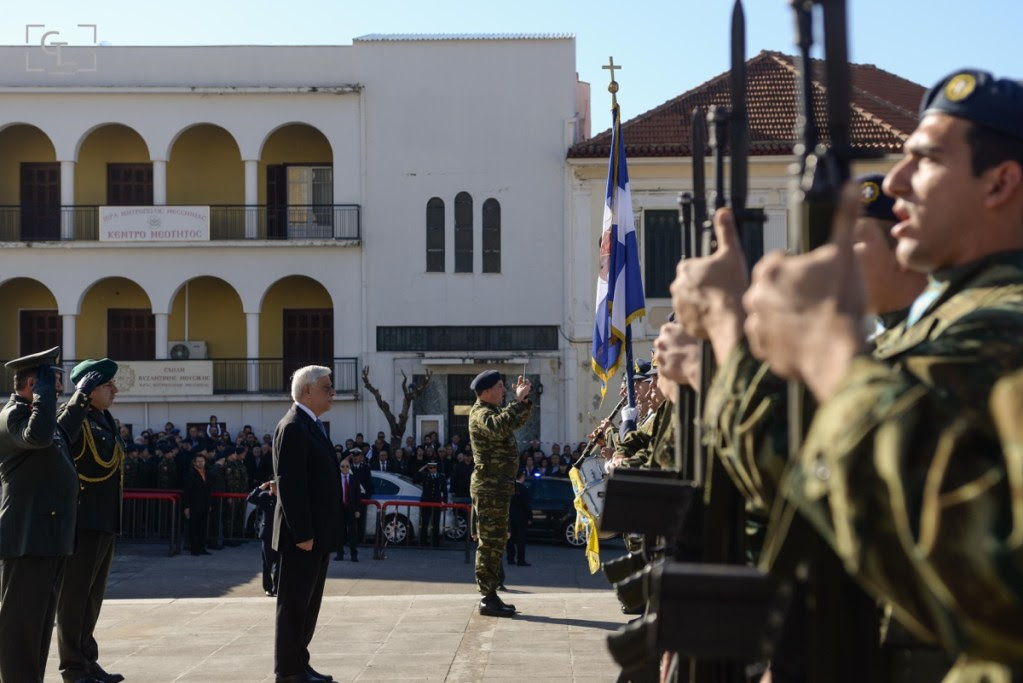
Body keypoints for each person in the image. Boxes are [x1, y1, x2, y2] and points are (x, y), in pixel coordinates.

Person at [676, 68, 1023, 679]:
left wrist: (787, 351)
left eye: (929, 159)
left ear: (1000, 182)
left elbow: (991, 574)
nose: (897, 181)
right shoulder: (946, 326)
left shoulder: (999, 327)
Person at [0, 347, 80, 683]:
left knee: (40, 621)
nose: (58, 386)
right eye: (52, 380)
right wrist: (44, 396)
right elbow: (39, 436)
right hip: (28, 536)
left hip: (47, 534)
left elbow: (63, 432)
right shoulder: (14, 416)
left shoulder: (38, 412)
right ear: (33, 383)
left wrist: (82, 396)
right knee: (21, 622)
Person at [56, 358, 127, 683]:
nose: (113, 389)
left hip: (103, 520)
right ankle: (72, 666)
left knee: (93, 598)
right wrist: (78, 399)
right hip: (81, 523)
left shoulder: (104, 419)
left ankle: (87, 659)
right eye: (105, 385)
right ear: (87, 389)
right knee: (74, 598)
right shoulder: (73, 418)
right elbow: (58, 436)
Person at [272, 365, 343, 683]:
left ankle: (300, 662)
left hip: (317, 534)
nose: (332, 393)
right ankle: (288, 670)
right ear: (307, 391)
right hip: (302, 536)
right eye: (327, 387)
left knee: (308, 605)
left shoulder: (311, 425)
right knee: (294, 604)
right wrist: (302, 533)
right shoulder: (293, 426)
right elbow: (291, 486)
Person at [468, 370, 532, 618]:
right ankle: (488, 596)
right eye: (500, 386)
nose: (504, 390)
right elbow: (498, 427)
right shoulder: (481, 413)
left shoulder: (493, 410)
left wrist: (522, 402)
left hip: (498, 489)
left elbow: (513, 421)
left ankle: (492, 594)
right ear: (486, 391)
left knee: (496, 542)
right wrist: (516, 402)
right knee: (489, 543)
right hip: (489, 489)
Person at [247, 480, 280, 596]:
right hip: (267, 534)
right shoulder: (266, 497)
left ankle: (277, 588)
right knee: (267, 563)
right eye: (271, 485)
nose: (273, 487)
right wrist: (260, 488)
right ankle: (268, 588)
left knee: (279, 564)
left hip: (280, 534)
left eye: (275, 485)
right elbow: (250, 499)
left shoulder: (283, 498)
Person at [183, 452, 213, 556]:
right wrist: (186, 507)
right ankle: (194, 549)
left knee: (203, 527)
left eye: (202, 461)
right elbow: (187, 492)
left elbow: (209, 491)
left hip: (205, 504)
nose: (200, 463)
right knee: (194, 527)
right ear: (195, 463)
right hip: (194, 504)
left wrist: (209, 505)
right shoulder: (190, 474)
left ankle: (202, 548)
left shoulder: (207, 473)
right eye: (198, 461)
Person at [335, 457, 364, 562]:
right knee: (339, 532)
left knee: (352, 533)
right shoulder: (336, 478)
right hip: (339, 509)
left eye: (347, 466)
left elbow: (358, 496)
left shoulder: (354, 479)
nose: (345, 468)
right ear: (339, 468)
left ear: (349, 467)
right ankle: (339, 554)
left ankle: (353, 554)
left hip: (351, 509)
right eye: (342, 466)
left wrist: (358, 510)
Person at [418, 461, 448, 547]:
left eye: (434, 467)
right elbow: (415, 478)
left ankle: (435, 542)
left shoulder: (441, 476)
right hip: (426, 501)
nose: (432, 469)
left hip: (436, 501)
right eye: (430, 467)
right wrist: (423, 468)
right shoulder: (425, 475)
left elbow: (444, 490)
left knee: (436, 523)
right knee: (424, 522)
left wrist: (444, 502)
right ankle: (423, 542)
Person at [347, 448, 374, 544]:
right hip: (351, 499)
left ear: (361, 457)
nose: (355, 458)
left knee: (361, 521)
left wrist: (367, 498)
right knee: (350, 521)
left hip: (362, 499)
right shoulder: (348, 468)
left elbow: (369, 484)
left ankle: (360, 541)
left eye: (357, 456)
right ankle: (350, 540)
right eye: (354, 456)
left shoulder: (365, 468)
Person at [507, 470, 531, 566]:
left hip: (509, 515)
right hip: (521, 516)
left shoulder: (509, 488)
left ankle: (510, 558)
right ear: (522, 477)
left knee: (510, 538)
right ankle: (521, 560)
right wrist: (529, 517)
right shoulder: (523, 488)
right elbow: (526, 504)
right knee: (521, 539)